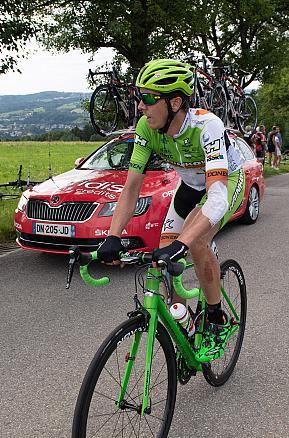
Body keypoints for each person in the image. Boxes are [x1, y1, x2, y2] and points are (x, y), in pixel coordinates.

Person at [95, 58, 245, 357]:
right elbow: (131, 188)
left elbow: (216, 198)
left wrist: (183, 242)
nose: (140, 106)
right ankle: (184, 324)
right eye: (139, 98)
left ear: (175, 102)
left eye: (148, 99)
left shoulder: (207, 126)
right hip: (190, 186)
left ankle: (216, 317)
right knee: (163, 261)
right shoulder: (146, 128)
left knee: (194, 240)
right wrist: (112, 236)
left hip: (224, 184)